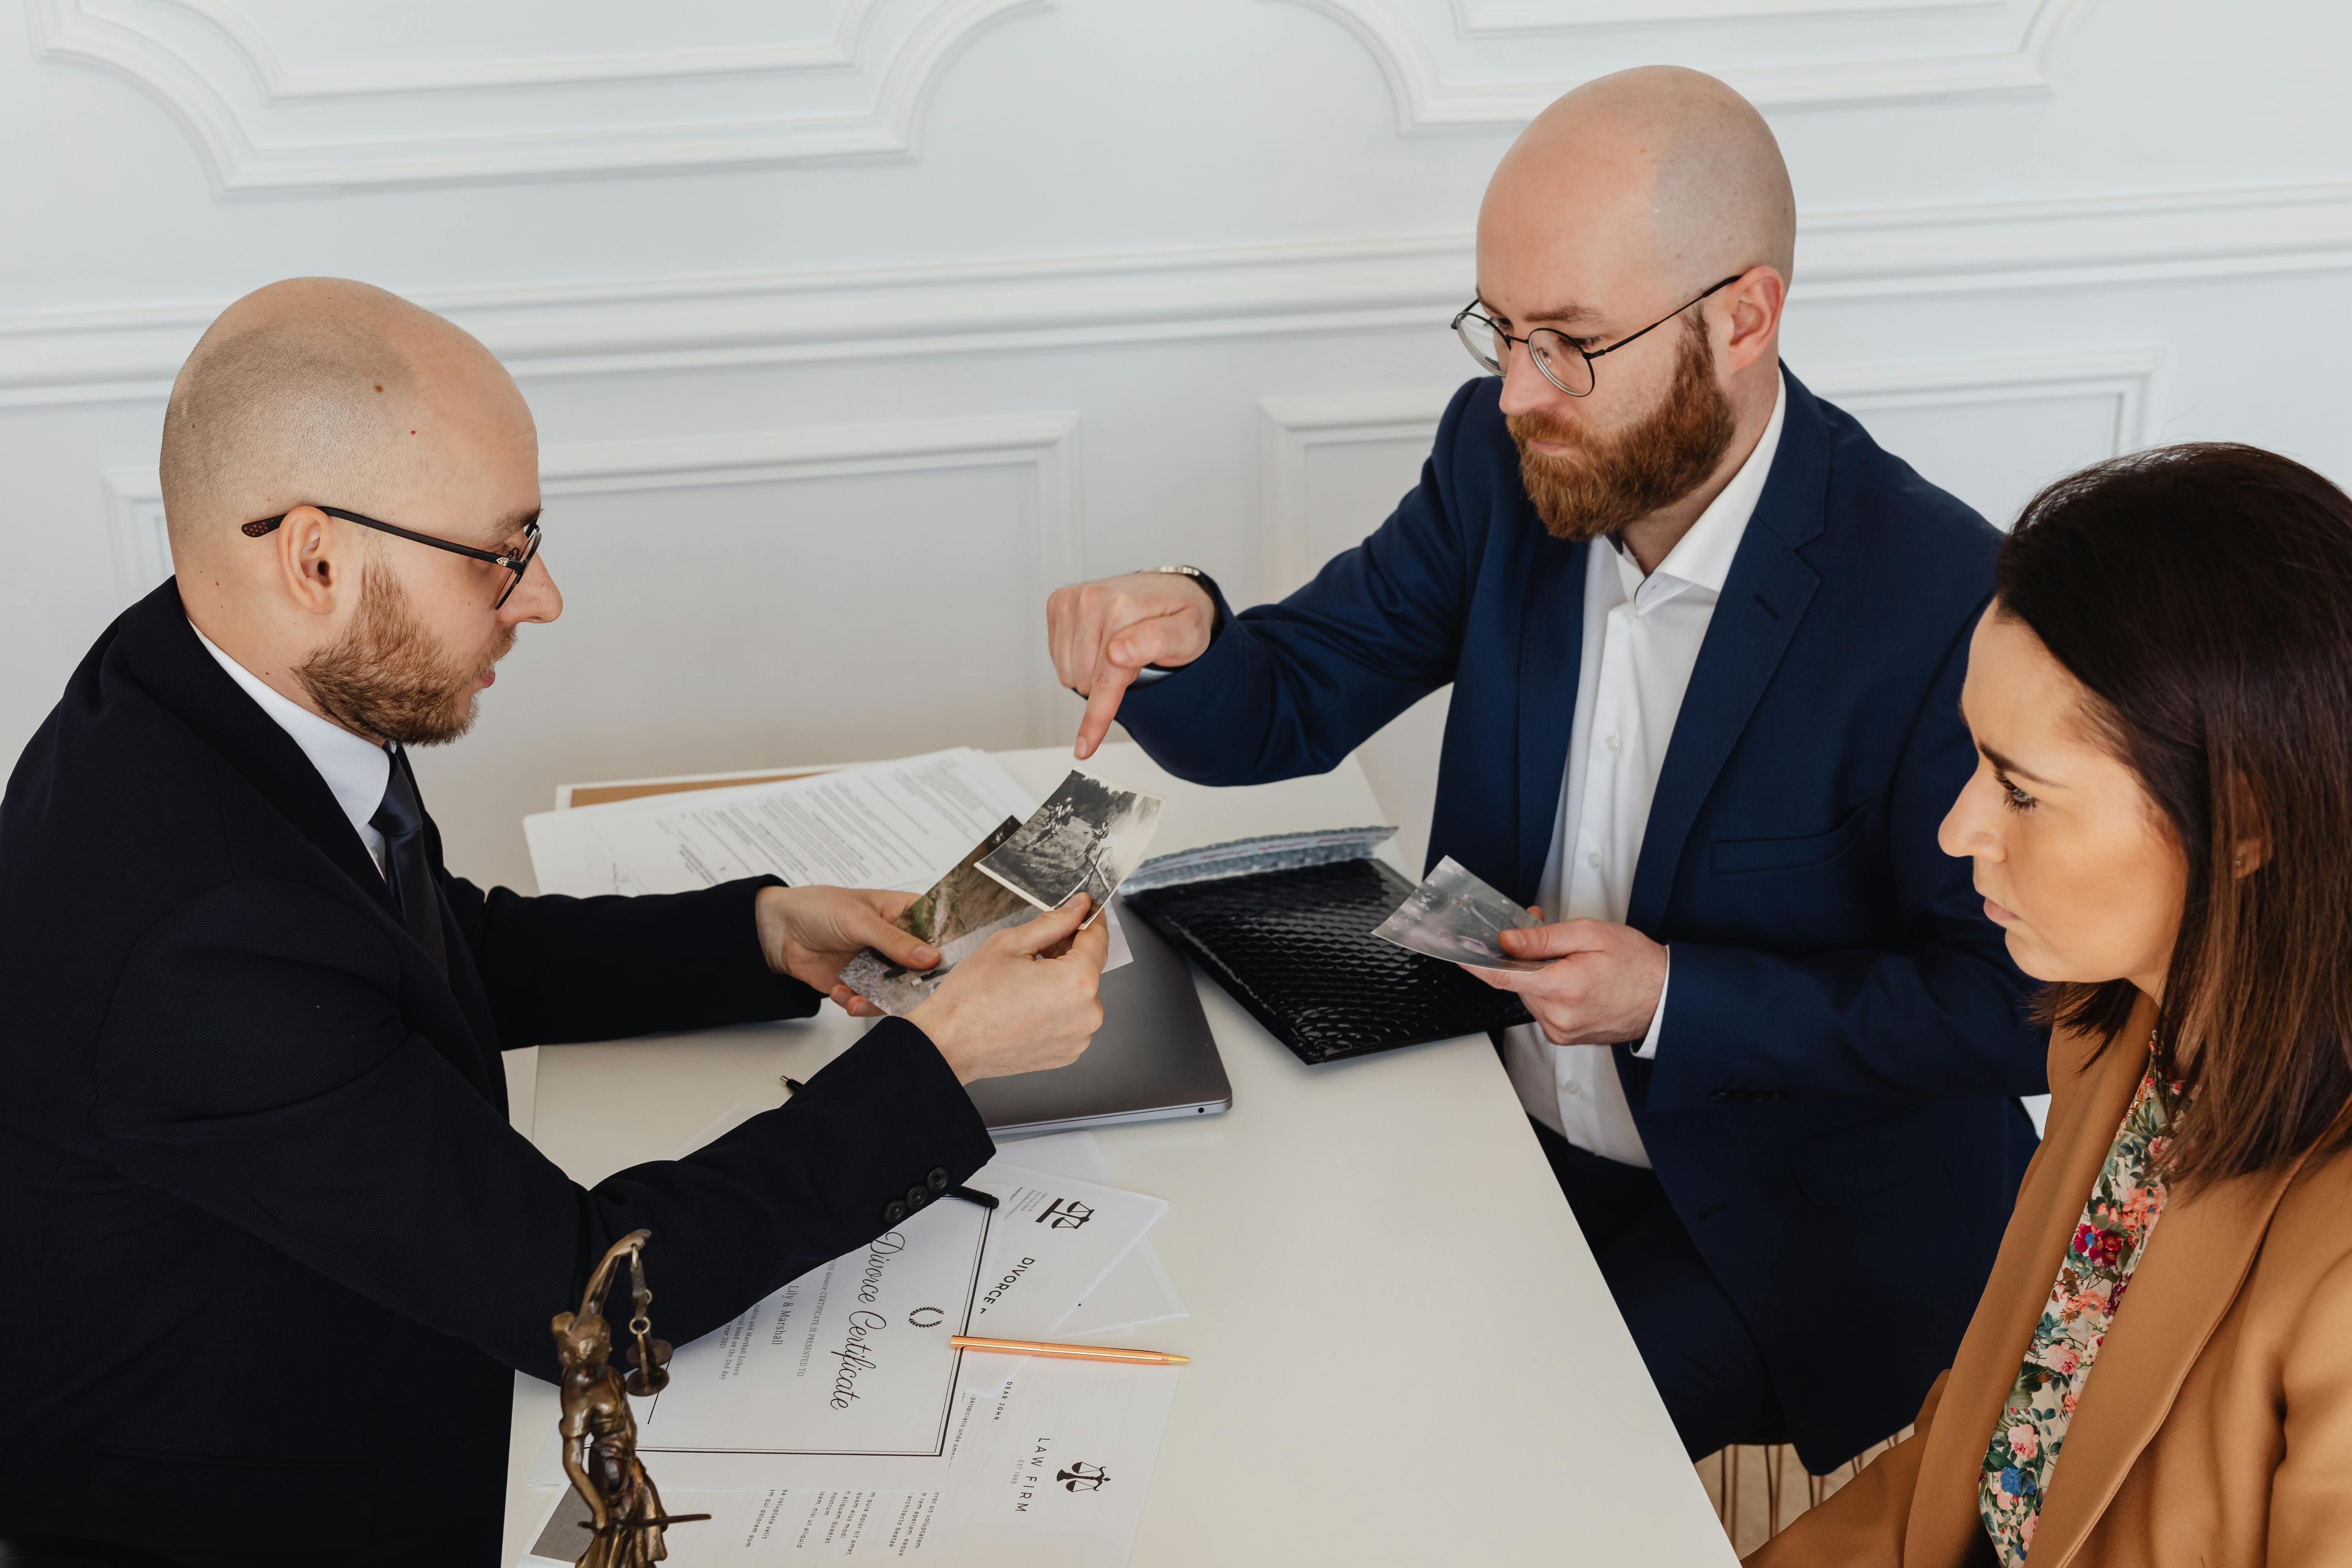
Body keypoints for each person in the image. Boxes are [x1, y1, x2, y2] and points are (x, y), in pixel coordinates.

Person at [0, 278, 1108, 1567]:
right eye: (498, 551)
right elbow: (590, 1301)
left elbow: (410, 947)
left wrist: (754, 934)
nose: (541, 599)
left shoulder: (206, 680)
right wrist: (942, 1060)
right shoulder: (201, 937)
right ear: (316, 557)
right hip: (273, 1497)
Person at [1046, 66, 2042, 1470]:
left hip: (1789, 1225)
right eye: (1499, 332)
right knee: (1258, 1360)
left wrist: (1677, 997)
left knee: (1474, 1458)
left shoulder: (1945, 597)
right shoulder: (1504, 456)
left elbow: (2020, 1006)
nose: (1517, 392)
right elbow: (1288, 701)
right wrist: (1185, 639)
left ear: (1742, 318)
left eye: (1568, 341)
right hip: (1492, 1123)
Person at [1754, 442, 2352, 1567]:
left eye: (2020, 790)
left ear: (2248, 823)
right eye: (1973, 762)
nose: (1957, 829)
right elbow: (1977, 1464)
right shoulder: (2118, 1037)